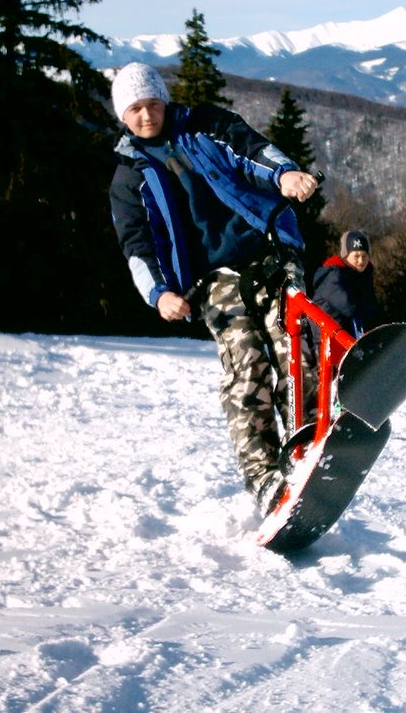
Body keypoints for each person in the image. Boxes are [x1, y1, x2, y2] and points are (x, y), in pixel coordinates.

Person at [108, 62, 319, 514]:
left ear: (164, 101)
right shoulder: (129, 179)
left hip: (266, 248)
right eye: (136, 109)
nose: (147, 115)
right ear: (123, 116)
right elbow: (137, 245)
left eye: (153, 104)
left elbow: (250, 150)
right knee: (247, 365)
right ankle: (265, 477)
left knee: (293, 342)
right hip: (211, 279)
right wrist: (160, 292)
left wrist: (284, 174)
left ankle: (312, 441)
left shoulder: (204, 125)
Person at [311, 230, 380, 339]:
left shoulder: (363, 276)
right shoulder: (333, 276)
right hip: (327, 338)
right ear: (346, 256)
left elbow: (371, 310)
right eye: (356, 256)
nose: (361, 261)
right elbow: (349, 307)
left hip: (348, 335)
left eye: (364, 256)